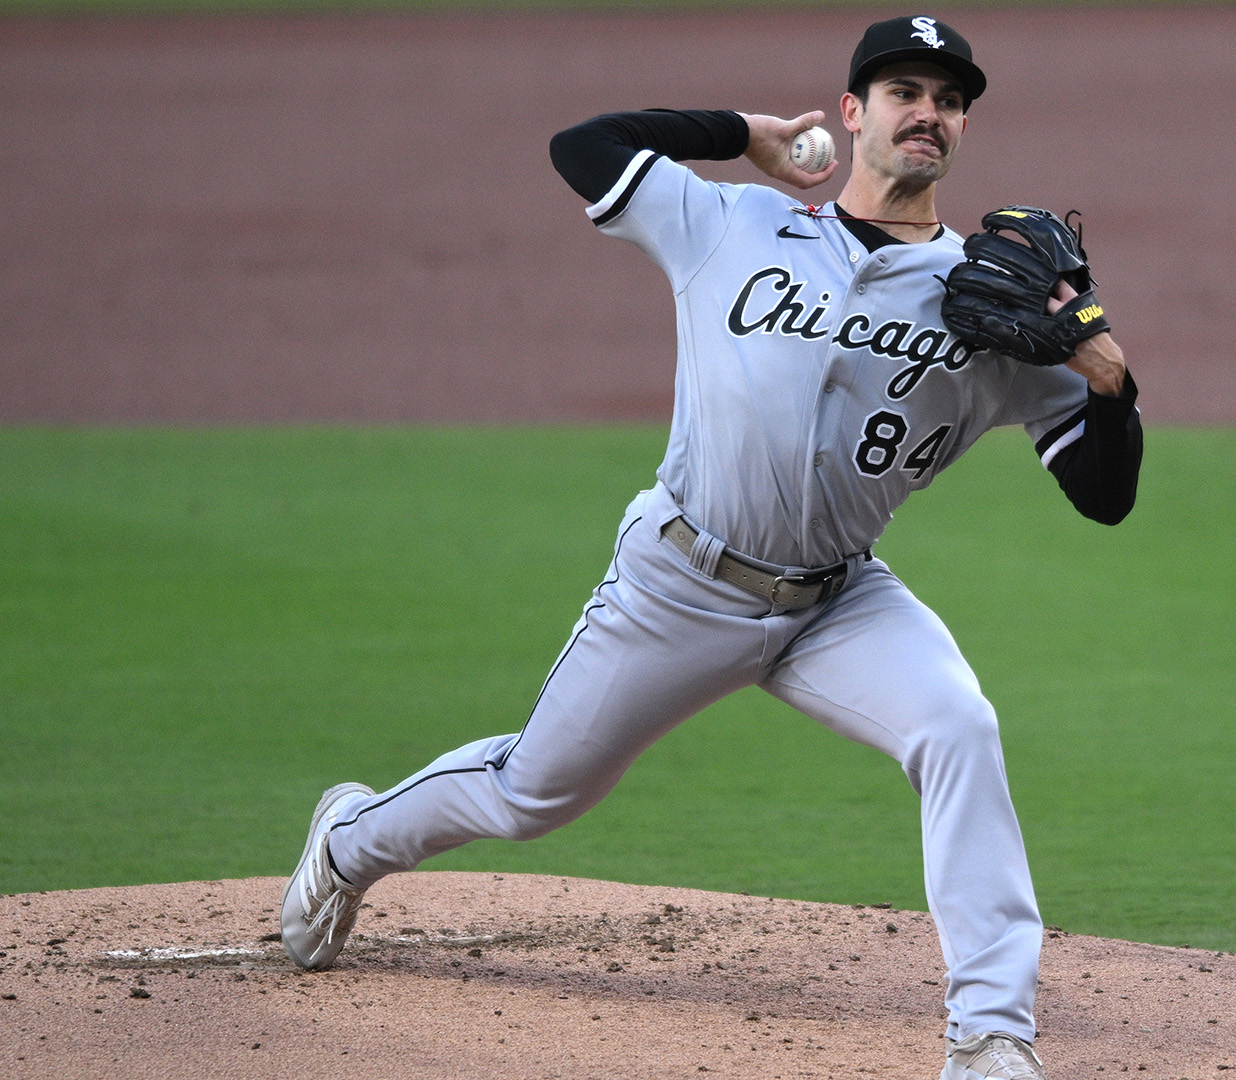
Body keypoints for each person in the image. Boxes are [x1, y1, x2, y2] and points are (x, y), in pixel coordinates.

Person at [280, 15, 1141, 1080]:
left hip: (837, 605)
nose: (929, 113)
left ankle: (993, 1039)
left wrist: (1112, 378)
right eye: (906, 91)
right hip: (679, 585)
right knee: (532, 792)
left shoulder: (996, 304)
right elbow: (583, 148)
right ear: (852, 112)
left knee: (958, 725)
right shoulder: (731, 224)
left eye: (950, 100)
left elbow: (1104, 497)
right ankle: (347, 843)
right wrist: (740, 133)